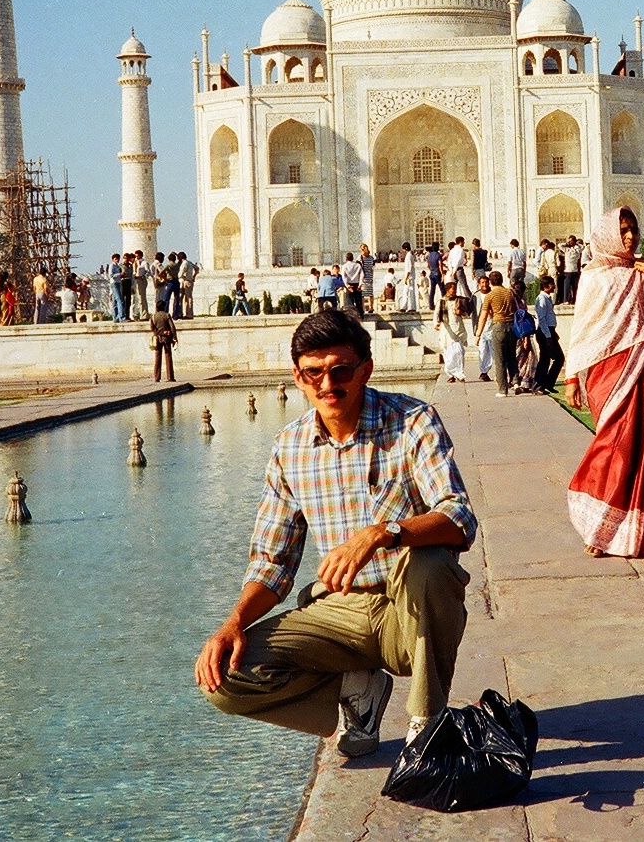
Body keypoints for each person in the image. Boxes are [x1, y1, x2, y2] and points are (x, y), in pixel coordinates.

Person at [195, 311, 476, 756]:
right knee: (223, 677)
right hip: (340, 611)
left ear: (365, 369)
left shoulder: (411, 422)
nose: (328, 385)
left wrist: (382, 533)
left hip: (411, 609)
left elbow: (459, 517)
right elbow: (273, 563)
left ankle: (426, 725)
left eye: (341, 371)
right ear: (298, 377)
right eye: (314, 373)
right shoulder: (290, 448)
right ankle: (356, 689)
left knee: (432, 562)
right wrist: (232, 623)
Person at [564, 207, 644, 558]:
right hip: (608, 375)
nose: (630, 236)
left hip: (641, 371)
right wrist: (572, 377)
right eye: (623, 230)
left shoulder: (642, 273)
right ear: (608, 234)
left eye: (633, 229)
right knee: (615, 449)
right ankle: (598, 527)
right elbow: (583, 329)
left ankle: (642, 535)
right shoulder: (593, 276)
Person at [475, 270, 517, 396]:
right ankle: (516, 382)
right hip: (512, 327)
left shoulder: (490, 296)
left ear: (490, 281)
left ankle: (502, 389)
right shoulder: (509, 293)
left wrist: (478, 334)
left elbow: (483, 317)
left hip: (498, 327)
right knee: (511, 357)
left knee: (500, 360)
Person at [534, 276, 564, 392]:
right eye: (552, 284)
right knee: (557, 358)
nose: (554, 286)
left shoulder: (547, 298)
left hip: (548, 330)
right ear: (546, 286)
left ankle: (545, 383)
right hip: (544, 331)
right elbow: (542, 319)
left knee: (546, 358)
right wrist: (548, 335)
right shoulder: (542, 299)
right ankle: (541, 383)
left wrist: (553, 332)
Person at [434, 282, 469, 383]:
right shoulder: (441, 302)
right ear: (448, 290)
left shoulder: (460, 300)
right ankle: (451, 374)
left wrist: (461, 312)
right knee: (448, 354)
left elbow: (467, 314)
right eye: (453, 289)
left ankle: (460, 373)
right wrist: (436, 323)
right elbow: (436, 314)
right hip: (446, 331)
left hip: (458, 329)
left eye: (455, 289)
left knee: (459, 352)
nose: (455, 291)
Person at [149, 300, 178, 381]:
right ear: (164, 307)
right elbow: (172, 327)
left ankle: (157, 377)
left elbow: (152, 328)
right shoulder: (166, 315)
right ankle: (170, 377)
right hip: (166, 338)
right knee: (168, 356)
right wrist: (174, 337)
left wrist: (159, 333)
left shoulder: (153, 316)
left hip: (157, 338)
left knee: (157, 358)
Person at [473, 274, 493, 381]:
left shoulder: (493, 294)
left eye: (486, 282)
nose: (484, 284)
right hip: (481, 326)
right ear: (479, 284)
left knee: (493, 351)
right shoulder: (476, 296)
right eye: (482, 283)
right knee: (482, 350)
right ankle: (483, 372)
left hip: (492, 325)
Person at [560, 235, 582, 305]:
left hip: (573, 270)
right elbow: (559, 245)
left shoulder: (575, 250)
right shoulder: (569, 249)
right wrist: (569, 243)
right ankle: (567, 300)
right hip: (569, 270)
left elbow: (582, 247)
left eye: (571, 241)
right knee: (568, 286)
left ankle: (573, 300)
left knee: (574, 287)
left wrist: (573, 243)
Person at [342, 252, 365, 317]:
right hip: (357, 284)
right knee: (358, 301)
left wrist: (347, 285)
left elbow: (344, 276)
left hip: (349, 284)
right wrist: (360, 284)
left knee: (349, 301)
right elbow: (362, 275)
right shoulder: (357, 265)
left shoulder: (345, 266)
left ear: (346, 258)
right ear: (353, 258)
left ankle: (351, 315)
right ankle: (361, 314)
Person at [179, 252, 199, 319]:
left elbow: (180, 274)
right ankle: (188, 314)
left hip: (185, 281)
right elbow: (197, 268)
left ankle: (187, 314)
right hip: (189, 280)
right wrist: (194, 276)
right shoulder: (189, 262)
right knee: (188, 298)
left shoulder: (184, 264)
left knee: (186, 298)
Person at [425, 242, 444, 311]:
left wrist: (431, 269)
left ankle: (431, 305)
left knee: (432, 290)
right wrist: (442, 275)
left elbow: (427, 265)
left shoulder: (430, 255)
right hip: (437, 273)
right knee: (442, 290)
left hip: (432, 273)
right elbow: (440, 265)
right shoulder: (438, 255)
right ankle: (444, 304)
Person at [108, 253, 126, 321]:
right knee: (120, 300)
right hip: (114, 283)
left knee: (115, 302)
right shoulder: (112, 265)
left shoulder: (117, 266)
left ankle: (115, 318)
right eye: (115, 259)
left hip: (118, 283)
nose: (117, 260)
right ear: (113, 259)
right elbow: (111, 275)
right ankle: (122, 317)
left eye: (118, 259)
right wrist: (120, 274)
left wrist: (121, 275)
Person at [134, 250, 151, 320]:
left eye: (137, 256)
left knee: (142, 298)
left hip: (142, 280)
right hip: (136, 281)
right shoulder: (135, 263)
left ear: (141, 255)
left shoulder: (144, 263)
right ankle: (141, 314)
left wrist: (142, 277)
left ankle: (144, 315)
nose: (136, 257)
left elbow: (148, 272)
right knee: (139, 299)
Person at [358, 245, 375, 313]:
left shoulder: (371, 258)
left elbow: (373, 267)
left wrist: (372, 275)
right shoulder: (360, 257)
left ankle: (371, 307)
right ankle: (363, 308)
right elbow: (358, 267)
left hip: (369, 276)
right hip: (363, 276)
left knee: (370, 293)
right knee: (363, 294)